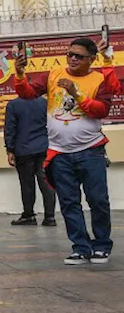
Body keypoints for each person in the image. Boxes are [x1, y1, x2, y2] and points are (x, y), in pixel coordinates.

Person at [14, 36, 120, 265]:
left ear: (91, 60)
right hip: (59, 152)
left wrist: (76, 92)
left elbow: (100, 110)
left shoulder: (99, 79)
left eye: (78, 56)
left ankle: (101, 245)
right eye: (69, 54)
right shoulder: (53, 74)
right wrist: (20, 74)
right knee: (69, 202)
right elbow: (28, 94)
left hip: (90, 150)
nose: (72, 59)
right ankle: (81, 247)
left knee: (98, 200)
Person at [4, 95, 56, 226]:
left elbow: (10, 128)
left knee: (27, 184)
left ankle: (29, 215)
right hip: (44, 147)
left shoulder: (14, 105)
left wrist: (10, 149)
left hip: (23, 149)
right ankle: (50, 217)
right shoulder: (45, 103)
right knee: (46, 182)